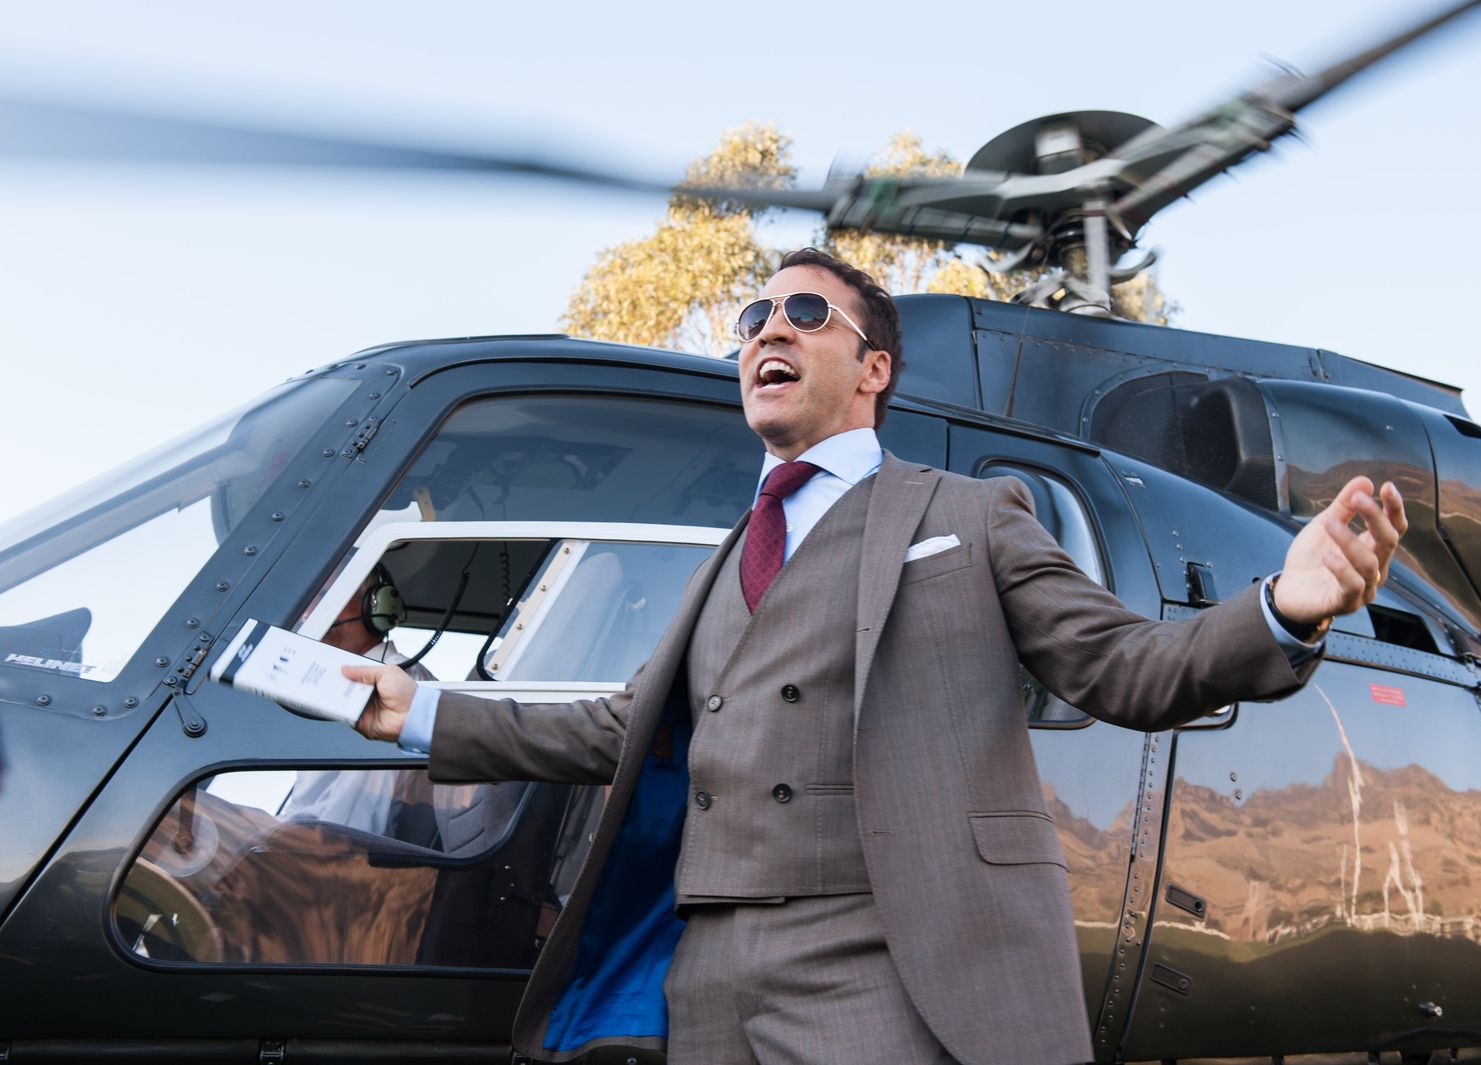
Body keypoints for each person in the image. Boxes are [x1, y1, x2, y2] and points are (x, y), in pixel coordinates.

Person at [345, 248, 1407, 1065]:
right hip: (708, 971)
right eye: (753, 317)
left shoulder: (969, 515)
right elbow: (621, 727)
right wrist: (419, 710)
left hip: (879, 957)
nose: (769, 328)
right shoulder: (726, 558)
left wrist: (1283, 608)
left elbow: (1124, 666)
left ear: (874, 369)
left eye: (806, 313)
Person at [279, 565, 436, 837]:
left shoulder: (397, 680)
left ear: (375, 605)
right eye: (309, 600)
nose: (309, 612)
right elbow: (305, 806)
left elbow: (350, 830)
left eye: (326, 596)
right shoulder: (333, 689)